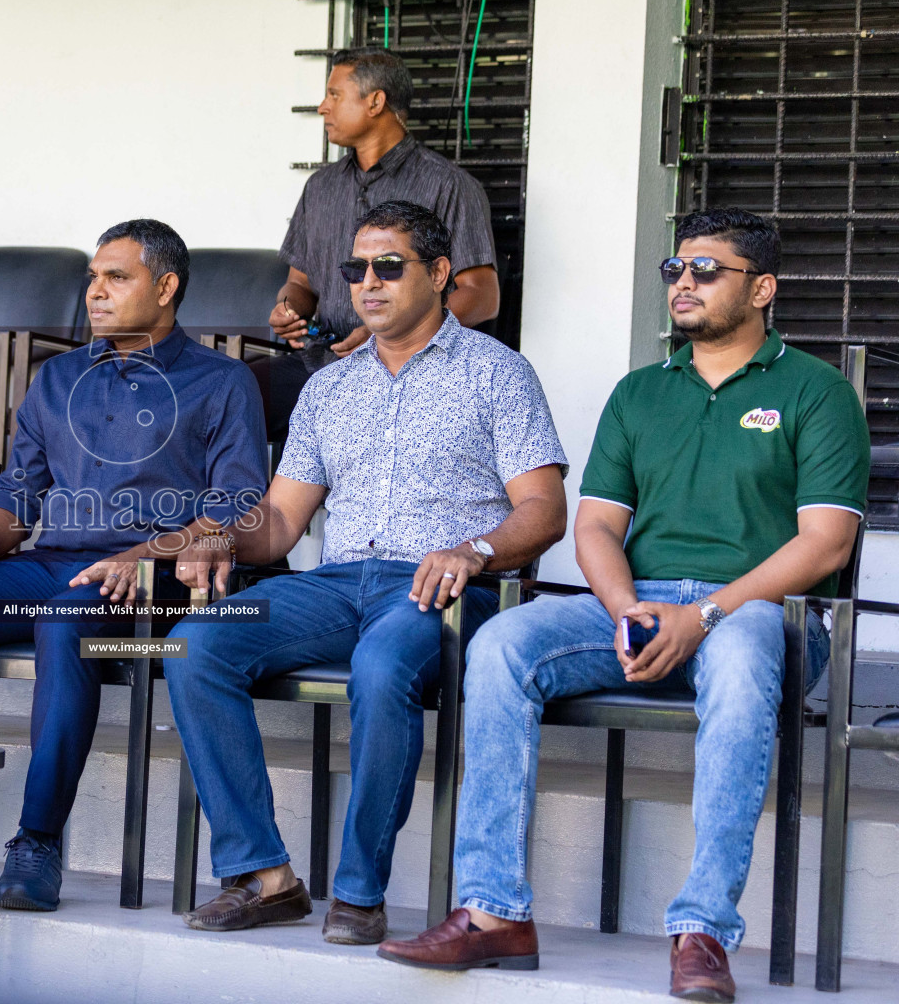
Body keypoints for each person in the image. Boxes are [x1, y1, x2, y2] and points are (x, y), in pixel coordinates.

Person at [379, 209, 870, 1004]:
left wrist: (703, 615)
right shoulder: (641, 392)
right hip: (640, 608)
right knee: (501, 641)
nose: (684, 282)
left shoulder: (816, 392)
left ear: (763, 288)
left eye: (707, 270)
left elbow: (824, 545)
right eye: (675, 270)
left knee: (743, 656)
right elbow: (598, 526)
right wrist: (627, 609)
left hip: (763, 617)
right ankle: (493, 911)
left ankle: (702, 930)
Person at [166, 202, 567, 945]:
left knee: (383, 668)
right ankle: (264, 877)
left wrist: (473, 549)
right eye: (356, 269)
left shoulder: (498, 373)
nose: (368, 283)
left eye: (389, 266)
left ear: (440, 274)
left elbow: (544, 511)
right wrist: (221, 533)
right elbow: (283, 522)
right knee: (197, 643)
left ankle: (359, 892)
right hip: (336, 583)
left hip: (443, 588)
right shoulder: (330, 388)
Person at [0, 218, 268, 909]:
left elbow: (236, 506)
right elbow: (18, 492)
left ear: (166, 289)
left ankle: (37, 840)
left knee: (67, 616)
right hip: (54, 563)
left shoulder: (223, 383)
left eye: (116, 277)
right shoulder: (58, 378)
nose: (94, 292)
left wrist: (142, 553)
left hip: (153, 581)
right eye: (92, 277)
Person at [254, 49, 500, 445]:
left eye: (334, 95)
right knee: (226, 398)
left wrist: (383, 335)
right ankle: (237, 508)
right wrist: (289, 309)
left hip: (411, 369)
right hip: (323, 361)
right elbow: (299, 283)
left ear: (375, 101)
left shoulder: (448, 185)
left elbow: (482, 297)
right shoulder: (320, 187)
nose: (322, 107)